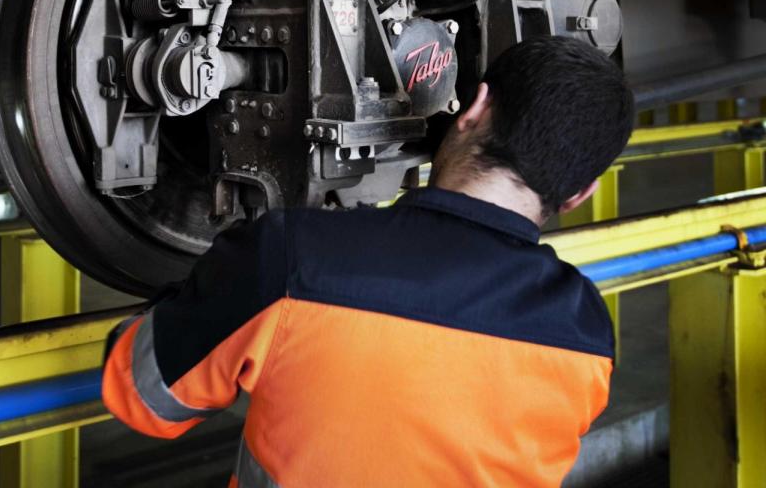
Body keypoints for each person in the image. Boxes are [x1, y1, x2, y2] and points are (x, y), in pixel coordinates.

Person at [101, 35, 634, 487]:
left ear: (473, 109)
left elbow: (142, 396)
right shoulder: (584, 338)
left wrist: (203, 298)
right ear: (578, 194)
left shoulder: (290, 260)